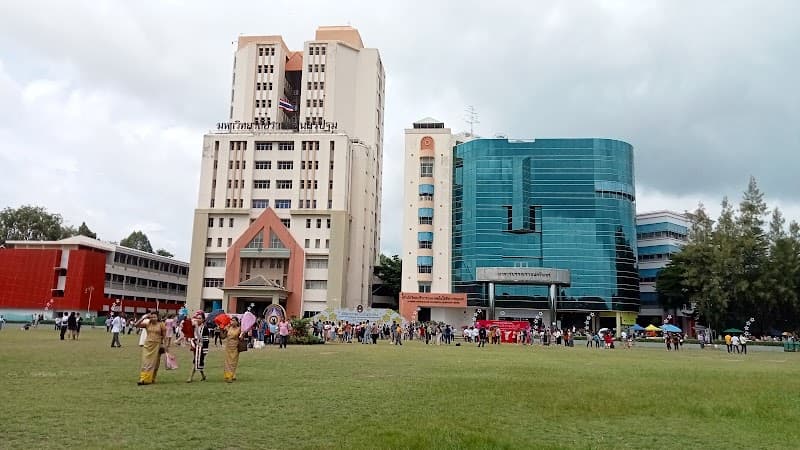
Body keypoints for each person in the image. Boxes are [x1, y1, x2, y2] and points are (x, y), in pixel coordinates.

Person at [136, 313, 166, 385]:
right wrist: (144, 317)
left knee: (155, 363)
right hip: (147, 345)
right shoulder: (147, 323)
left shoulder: (161, 324)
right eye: (151, 317)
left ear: (157, 317)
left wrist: (164, 345)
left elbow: (165, 336)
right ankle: (143, 379)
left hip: (157, 345)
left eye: (154, 317)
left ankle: (152, 378)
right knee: (146, 362)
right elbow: (136, 325)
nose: (153, 318)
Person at [187, 311, 209, 382]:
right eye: (197, 318)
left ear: (203, 319)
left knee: (196, 361)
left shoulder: (205, 328)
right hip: (195, 346)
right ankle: (203, 375)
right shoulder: (194, 327)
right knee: (197, 361)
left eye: (200, 318)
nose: (198, 320)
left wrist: (205, 350)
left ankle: (190, 377)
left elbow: (205, 340)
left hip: (201, 347)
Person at [222, 316, 242, 383]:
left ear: (237, 322)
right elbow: (223, 337)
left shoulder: (239, 329)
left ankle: (231, 376)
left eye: (234, 320)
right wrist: (222, 330)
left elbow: (241, 339)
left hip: (235, 347)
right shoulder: (228, 328)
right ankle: (228, 376)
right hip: (228, 347)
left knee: (233, 362)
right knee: (227, 362)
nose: (232, 322)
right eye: (231, 320)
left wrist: (242, 335)